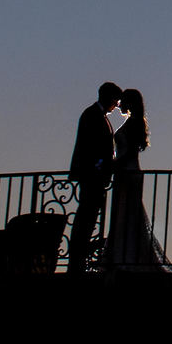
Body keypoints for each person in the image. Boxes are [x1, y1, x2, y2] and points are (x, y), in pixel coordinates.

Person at [104, 87, 172, 273]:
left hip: (128, 173)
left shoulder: (134, 123)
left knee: (127, 214)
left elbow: (130, 152)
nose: (119, 104)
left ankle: (126, 258)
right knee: (125, 215)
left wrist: (114, 165)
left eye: (123, 101)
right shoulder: (134, 122)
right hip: (126, 172)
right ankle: (124, 255)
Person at [66, 81, 121, 273]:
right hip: (91, 176)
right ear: (109, 98)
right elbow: (91, 148)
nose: (116, 106)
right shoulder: (92, 115)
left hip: (94, 176)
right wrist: (102, 167)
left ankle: (78, 260)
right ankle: (76, 261)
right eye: (116, 101)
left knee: (87, 218)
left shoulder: (96, 115)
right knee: (85, 219)